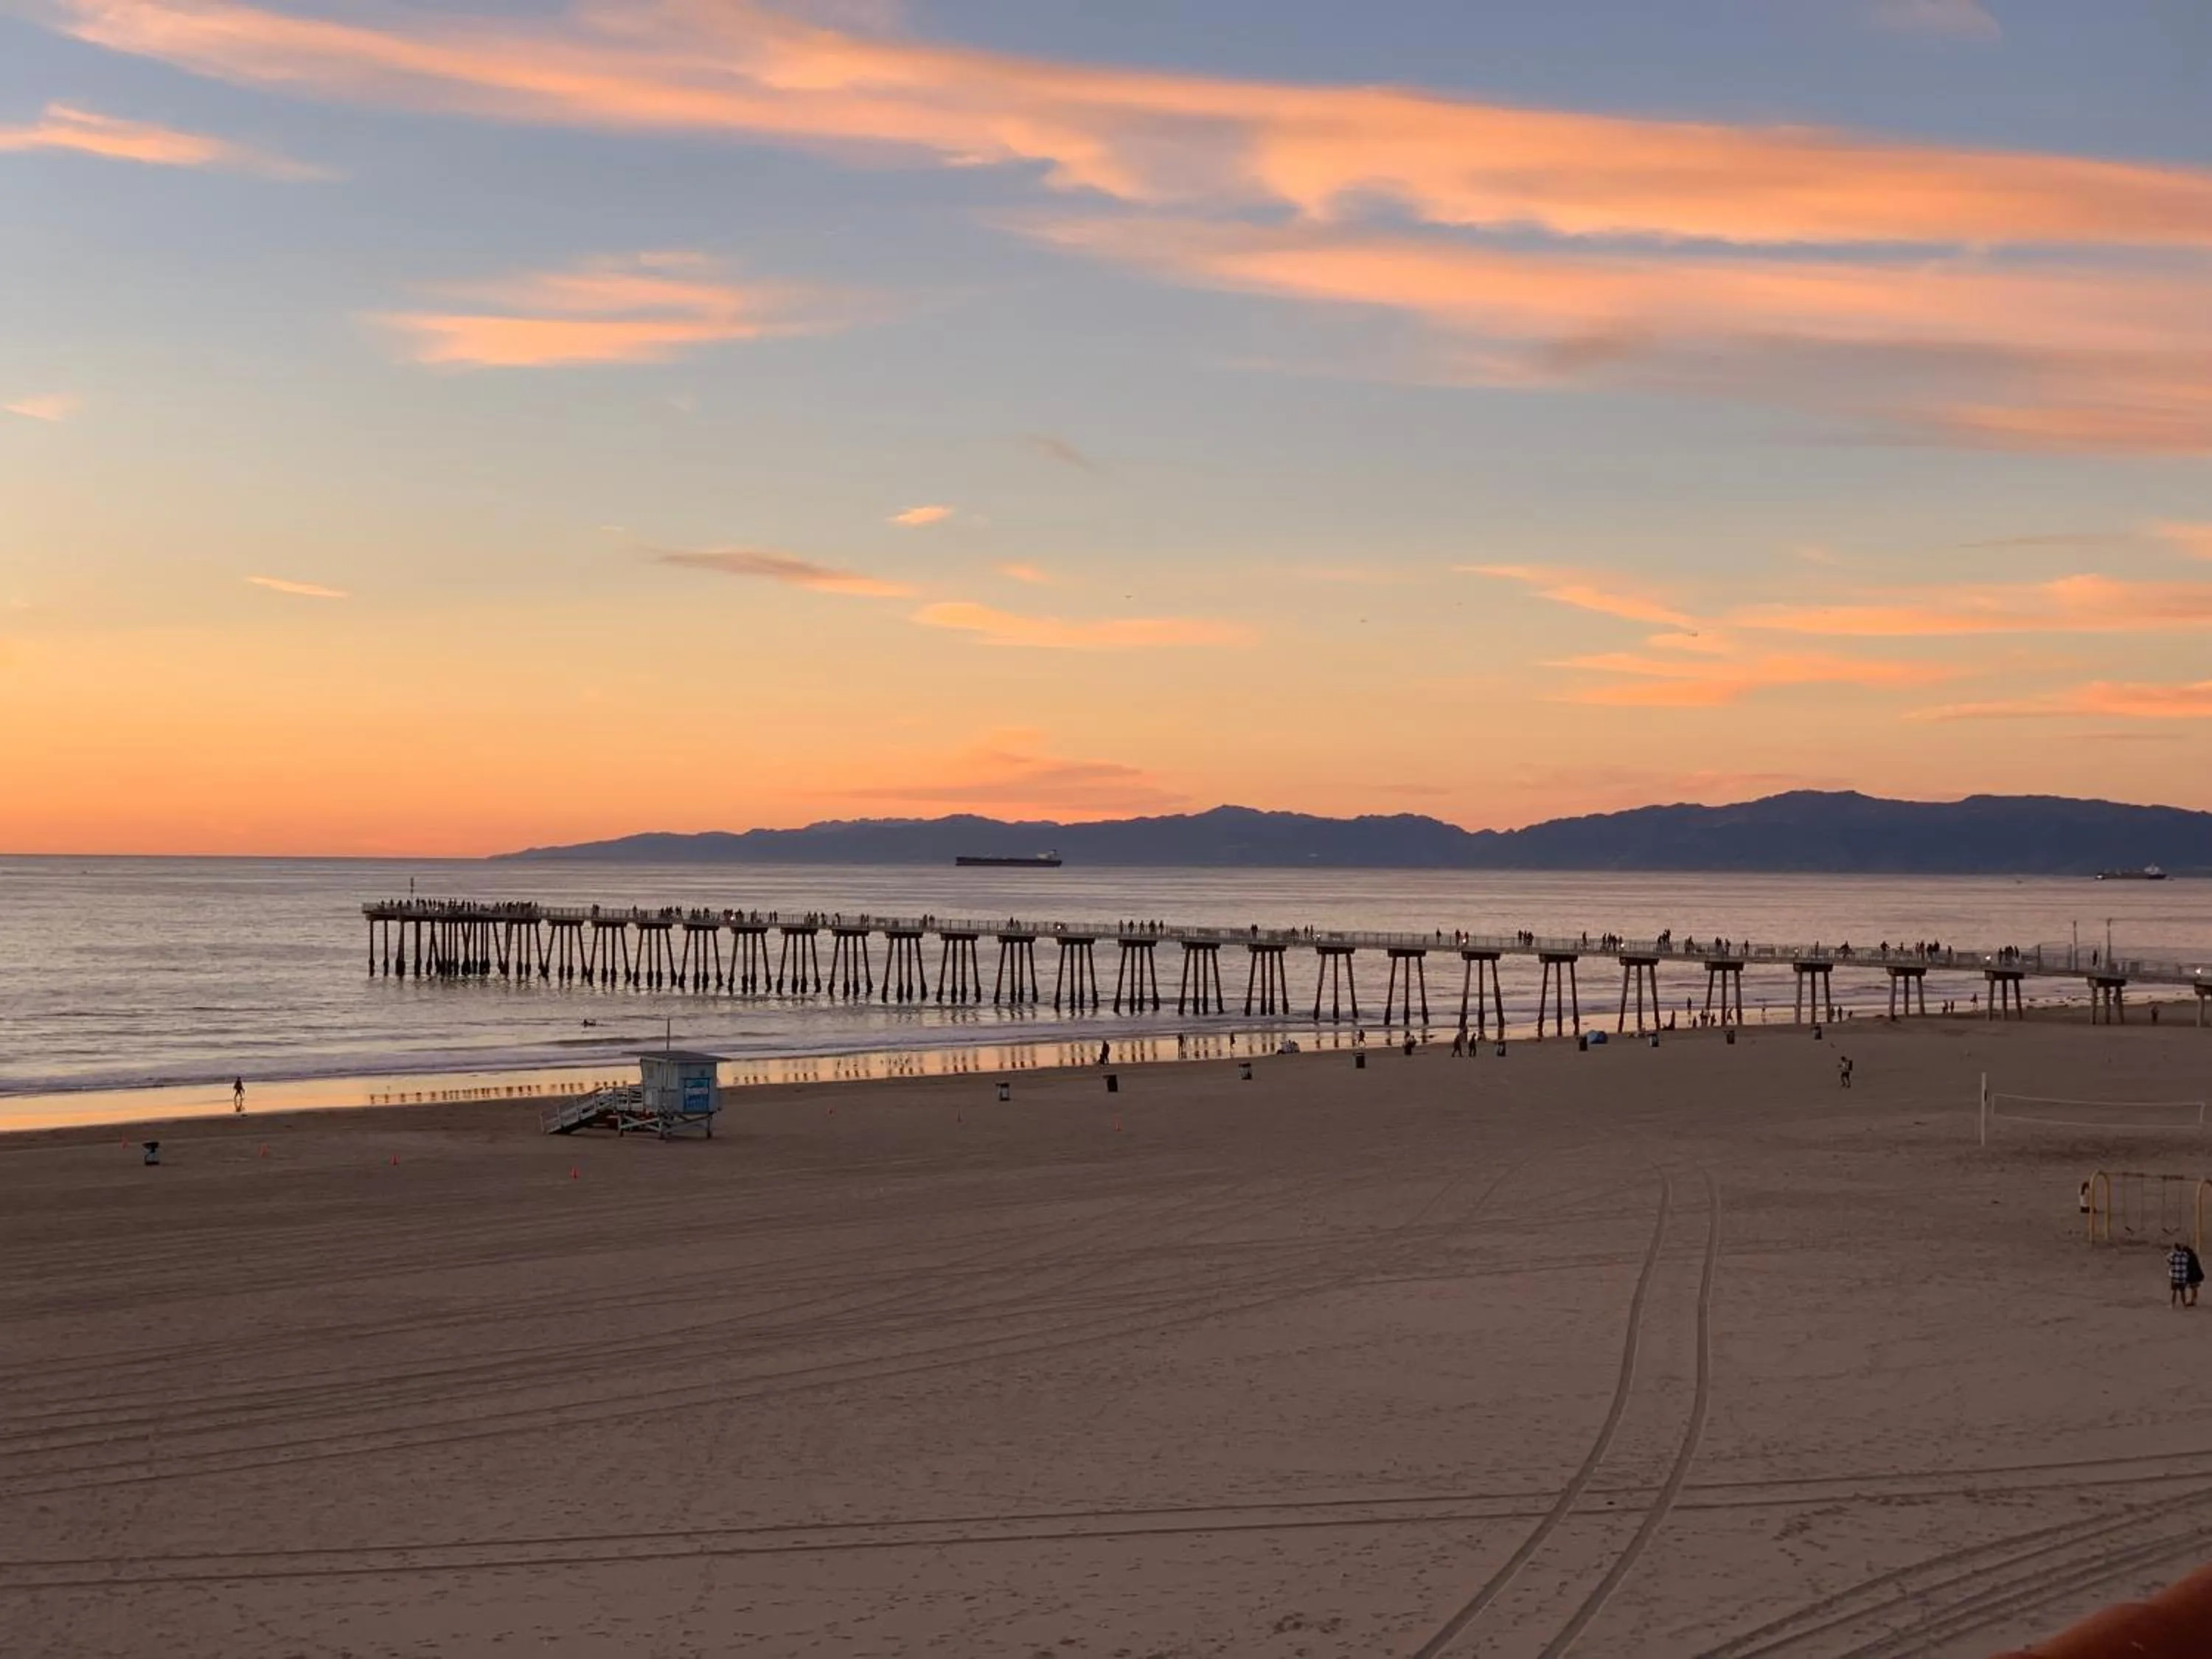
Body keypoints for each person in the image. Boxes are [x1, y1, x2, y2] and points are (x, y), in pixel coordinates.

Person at [2171, 1239, 2195, 1308]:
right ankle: (2184, 1304)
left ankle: (2173, 1305)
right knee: (2183, 1292)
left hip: (2176, 1276)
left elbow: (2169, 1260)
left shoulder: (2174, 1255)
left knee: (2174, 1292)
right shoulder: (2185, 1256)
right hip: (2183, 1277)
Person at [2188, 1243, 2205, 1307]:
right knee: (2194, 1288)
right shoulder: (2194, 1257)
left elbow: (2190, 1268)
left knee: (2194, 1288)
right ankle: (2194, 1300)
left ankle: (2193, 1301)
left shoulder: (2191, 1258)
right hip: (2196, 1275)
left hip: (2194, 1276)